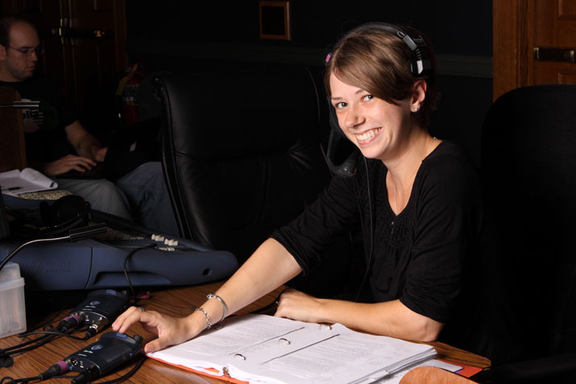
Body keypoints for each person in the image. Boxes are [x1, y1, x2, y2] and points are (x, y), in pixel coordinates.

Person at [113, 22, 483, 353]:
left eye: (368, 96)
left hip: (463, 362)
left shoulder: (446, 175)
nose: (352, 119)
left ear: (416, 95)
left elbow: (422, 322)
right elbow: (293, 243)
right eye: (341, 103)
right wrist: (193, 322)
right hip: (389, 351)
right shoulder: (369, 168)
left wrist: (318, 309)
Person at [0, 15, 178, 235]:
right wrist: (44, 167)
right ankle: (135, 259)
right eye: (25, 51)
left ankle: (176, 254)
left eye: (38, 50)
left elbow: (80, 138)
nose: (34, 57)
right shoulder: (3, 97)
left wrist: (95, 150)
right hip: (37, 182)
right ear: (1, 51)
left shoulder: (45, 85)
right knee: (105, 192)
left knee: (155, 173)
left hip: (75, 172)